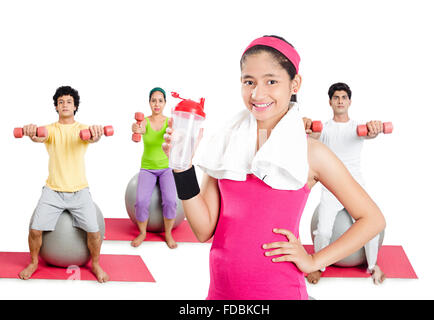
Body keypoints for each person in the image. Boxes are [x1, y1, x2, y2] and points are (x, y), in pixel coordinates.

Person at [163, 36, 386, 300]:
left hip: (281, 292)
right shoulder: (225, 144)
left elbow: (372, 219)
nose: (257, 94)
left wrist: (313, 261)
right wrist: (182, 166)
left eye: (271, 81)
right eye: (249, 82)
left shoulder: (311, 154)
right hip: (221, 294)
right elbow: (203, 230)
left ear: (295, 84)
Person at [19, 86, 109, 283]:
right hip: (53, 191)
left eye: (69, 101)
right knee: (35, 230)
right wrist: (30, 132)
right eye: (61, 102)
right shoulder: (50, 129)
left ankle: (95, 263)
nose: (65, 105)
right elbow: (38, 136)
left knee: (94, 232)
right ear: (56, 107)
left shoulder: (83, 129)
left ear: (75, 106)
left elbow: (94, 137)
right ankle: (34, 262)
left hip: (80, 191)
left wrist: (96, 133)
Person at [306, 82, 386, 285]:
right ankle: (317, 266)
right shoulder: (323, 128)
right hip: (331, 185)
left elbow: (371, 133)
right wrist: (305, 127)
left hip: (355, 185)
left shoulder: (357, 128)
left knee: (370, 227)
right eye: (336, 98)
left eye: (343, 98)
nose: (340, 101)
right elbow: (311, 136)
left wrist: (375, 128)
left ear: (349, 101)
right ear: (330, 102)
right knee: (323, 230)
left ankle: (372, 266)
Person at [131, 87, 178, 248]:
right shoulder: (144, 121)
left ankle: (168, 233)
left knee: (171, 201)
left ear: (164, 103)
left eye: (160, 100)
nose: (156, 104)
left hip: (166, 168)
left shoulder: (169, 121)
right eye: (153, 100)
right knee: (141, 202)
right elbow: (139, 128)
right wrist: (135, 128)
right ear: (149, 103)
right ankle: (142, 233)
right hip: (147, 168)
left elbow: (174, 135)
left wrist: (175, 130)